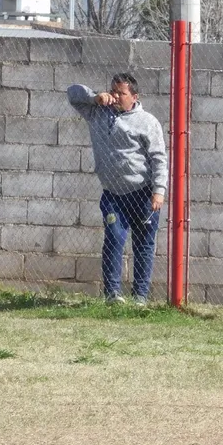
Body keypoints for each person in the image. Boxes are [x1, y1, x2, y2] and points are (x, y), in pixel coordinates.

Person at [67, 73, 169, 305]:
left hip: (143, 193)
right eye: (113, 91)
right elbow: (72, 94)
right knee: (113, 239)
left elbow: (158, 159)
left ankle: (140, 297)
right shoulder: (98, 113)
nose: (115, 96)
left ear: (134, 97)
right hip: (113, 194)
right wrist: (94, 98)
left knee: (143, 244)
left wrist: (159, 191)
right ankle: (112, 294)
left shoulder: (147, 122)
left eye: (121, 93)